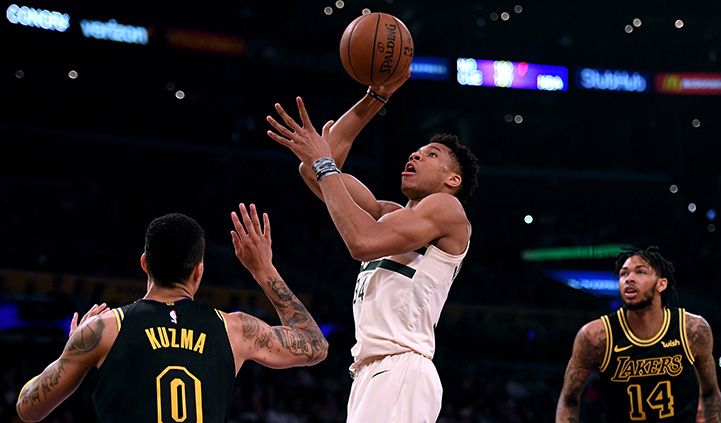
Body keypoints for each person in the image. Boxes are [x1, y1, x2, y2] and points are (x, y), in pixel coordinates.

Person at [266, 79, 479, 422]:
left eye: (431, 155)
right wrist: (374, 98)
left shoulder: (446, 209)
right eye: (417, 151)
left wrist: (323, 164)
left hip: (401, 367)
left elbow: (361, 242)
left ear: (451, 180)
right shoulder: (391, 215)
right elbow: (315, 169)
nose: (415, 154)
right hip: (370, 374)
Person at [16, 203, 328, 422]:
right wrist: (263, 269)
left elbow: (28, 408)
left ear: (144, 264)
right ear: (198, 271)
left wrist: (69, 354)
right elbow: (315, 344)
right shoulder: (234, 330)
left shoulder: (104, 329)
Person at [556, 246, 721, 422]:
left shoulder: (692, 330)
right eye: (624, 274)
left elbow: (710, 394)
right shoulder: (595, 336)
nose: (629, 279)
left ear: (661, 284)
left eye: (640, 272)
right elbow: (569, 398)